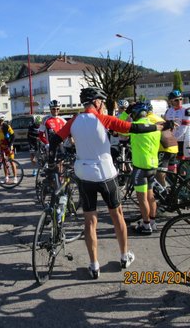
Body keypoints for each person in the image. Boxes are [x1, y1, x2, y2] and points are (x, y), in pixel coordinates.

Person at [48, 87, 164, 279]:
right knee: (116, 214)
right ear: (97, 102)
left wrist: (52, 162)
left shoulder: (74, 120)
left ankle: (94, 265)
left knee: (90, 221)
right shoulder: (103, 119)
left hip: (84, 174)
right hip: (105, 174)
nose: (103, 105)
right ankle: (124, 256)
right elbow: (133, 128)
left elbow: (54, 139)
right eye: (102, 102)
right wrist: (157, 127)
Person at [126, 103, 161, 235]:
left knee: (142, 199)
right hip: (153, 165)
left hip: (140, 167)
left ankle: (146, 226)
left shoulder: (137, 128)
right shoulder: (154, 126)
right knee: (151, 196)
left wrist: (125, 113)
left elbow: (119, 129)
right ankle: (152, 222)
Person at [146, 104, 178, 188]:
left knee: (159, 174)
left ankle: (164, 193)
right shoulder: (157, 117)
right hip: (174, 145)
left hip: (164, 147)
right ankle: (176, 190)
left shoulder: (147, 119)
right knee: (171, 173)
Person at [164, 90, 190, 160]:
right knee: (177, 160)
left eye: (181, 99)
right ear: (171, 101)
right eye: (176, 100)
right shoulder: (168, 111)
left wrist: (173, 138)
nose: (179, 101)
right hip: (174, 138)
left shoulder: (186, 111)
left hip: (186, 138)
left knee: (188, 160)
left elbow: (183, 128)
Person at [0, 113, 18, 184]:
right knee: (4, 162)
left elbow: (13, 136)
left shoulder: (7, 126)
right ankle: (6, 178)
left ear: (1, 120)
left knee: (12, 161)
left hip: (8, 145)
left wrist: (10, 145)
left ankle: (15, 177)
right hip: (2, 146)